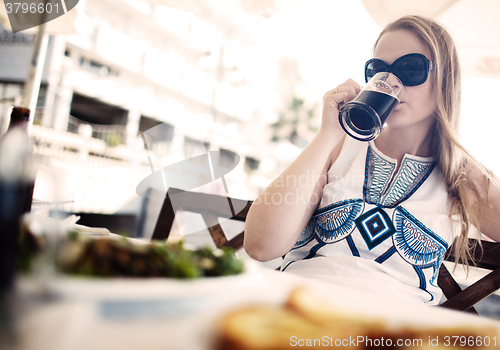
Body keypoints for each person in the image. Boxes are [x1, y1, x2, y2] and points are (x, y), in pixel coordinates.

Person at [243, 15, 500, 305]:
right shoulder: (338, 145)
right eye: (379, 70)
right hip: (298, 309)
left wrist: (468, 166)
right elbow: (260, 245)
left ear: (445, 79)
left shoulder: (462, 177)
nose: (393, 82)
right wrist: (327, 134)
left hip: (390, 332)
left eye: (411, 68)